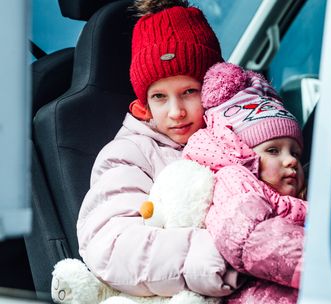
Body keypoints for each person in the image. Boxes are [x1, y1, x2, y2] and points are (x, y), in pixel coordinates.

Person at [76, 0, 241, 298]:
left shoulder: (239, 136)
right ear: (145, 104)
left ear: (213, 86)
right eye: (160, 97)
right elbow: (112, 245)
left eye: (189, 92)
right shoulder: (128, 155)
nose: (176, 111)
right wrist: (221, 256)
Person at [183, 62, 307, 303]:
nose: (290, 161)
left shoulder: (301, 198)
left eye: (295, 153)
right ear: (244, 154)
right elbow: (251, 238)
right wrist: (329, 261)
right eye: (273, 151)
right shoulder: (234, 181)